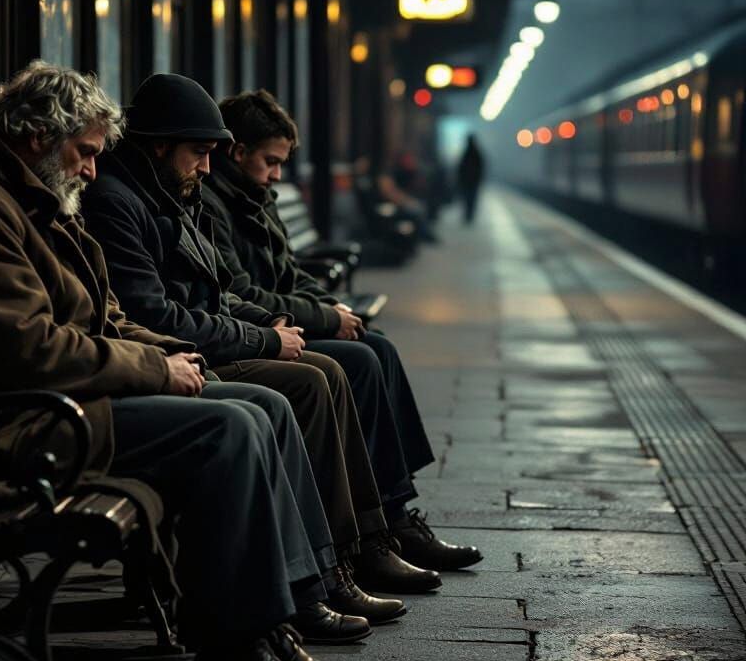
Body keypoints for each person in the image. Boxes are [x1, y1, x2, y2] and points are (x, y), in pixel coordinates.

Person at [0, 61, 361, 661]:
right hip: (1, 430)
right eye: (84, 153)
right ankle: (234, 655)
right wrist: (156, 370)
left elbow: (102, 318)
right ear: (36, 136)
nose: (91, 170)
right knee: (229, 428)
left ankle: (280, 620)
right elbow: (34, 349)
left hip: (54, 407)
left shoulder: (24, 199)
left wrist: (167, 354)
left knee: (264, 405)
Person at [82, 73, 427, 615]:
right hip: (165, 361)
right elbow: (152, 313)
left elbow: (219, 292)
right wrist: (265, 336)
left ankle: (353, 548)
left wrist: (279, 324)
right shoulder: (118, 202)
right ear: (158, 146)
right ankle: (320, 574)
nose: (205, 166)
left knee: (340, 365)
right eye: (198, 153)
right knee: (312, 382)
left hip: (180, 350)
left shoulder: (166, 192)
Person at [206, 90, 482, 575]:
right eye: (270, 162)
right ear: (237, 151)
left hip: (280, 321)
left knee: (377, 346)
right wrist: (326, 318)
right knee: (358, 360)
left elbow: (290, 274)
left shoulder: (254, 196)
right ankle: (374, 534)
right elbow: (242, 292)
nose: (276, 175)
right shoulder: (214, 206)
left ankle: (394, 516)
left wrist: (332, 305)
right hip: (258, 329)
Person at [457, 134, 485, 224]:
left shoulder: (466, 153)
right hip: (473, 182)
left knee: (467, 199)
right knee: (471, 199)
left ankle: (468, 215)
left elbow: (460, 167)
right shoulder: (477, 153)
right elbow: (481, 168)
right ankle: (469, 215)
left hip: (467, 181)